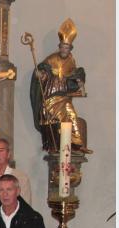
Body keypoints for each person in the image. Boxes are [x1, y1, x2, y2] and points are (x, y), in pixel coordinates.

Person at [30, 18, 89, 152]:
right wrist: (40, 74)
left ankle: (76, 145)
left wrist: (78, 81)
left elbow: (72, 77)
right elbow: (42, 73)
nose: (64, 50)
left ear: (70, 49)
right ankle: (55, 146)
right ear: (59, 47)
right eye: (62, 47)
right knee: (53, 118)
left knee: (71, 114)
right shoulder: (51, 59)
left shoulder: (71, 60)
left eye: (66, 48)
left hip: (63, 97)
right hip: (50, 97)